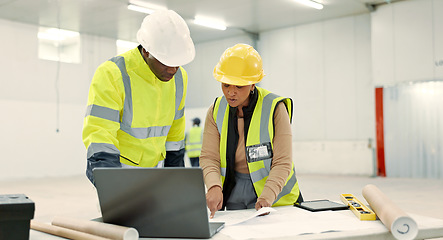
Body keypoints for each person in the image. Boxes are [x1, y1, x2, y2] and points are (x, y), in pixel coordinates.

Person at [82, 10, 195, 184]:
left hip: (158, 173)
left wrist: (175, 178)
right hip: (119, 172)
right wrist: (111, 185)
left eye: (177, 63)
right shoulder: (113, 74)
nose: (173, 70)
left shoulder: (180, 78)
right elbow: (100, 134)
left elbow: (176, 131)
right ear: (147, 51)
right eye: (166, 62)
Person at [200, 43, 303, 218]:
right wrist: (214, 186)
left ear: (252, 83)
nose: (231, 93)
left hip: (277, 197)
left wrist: (268, 195)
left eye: (238, 86)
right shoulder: (216, 109)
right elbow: (209, 157)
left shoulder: (275, 108)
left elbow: (283, 162)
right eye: (226, 85)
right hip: (234, 192)